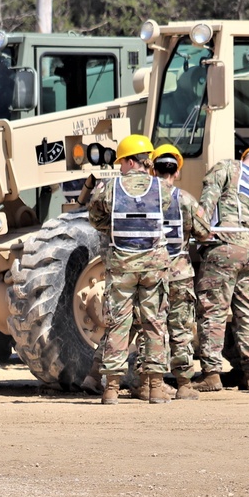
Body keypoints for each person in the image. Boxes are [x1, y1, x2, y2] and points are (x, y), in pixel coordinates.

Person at [87, 134, 175, 405]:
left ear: (127, 161)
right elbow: (165, 211)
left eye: (120, 162)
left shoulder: (108, 187)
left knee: (118, 323)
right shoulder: (163, 188)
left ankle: (111, 389)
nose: (119, 167)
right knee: (154, 323)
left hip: (121, 264)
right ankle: (156, 388)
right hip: (153, 265)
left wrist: (114, 229)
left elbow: (95, 216)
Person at [193, 145, 249, 392]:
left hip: (225, 247)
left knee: (213, 311)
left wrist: (198, 232)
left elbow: (206, 204)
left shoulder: (228, 167)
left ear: (244, 158)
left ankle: (211, 375)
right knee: (248, 312)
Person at [146, 144, 213, 399]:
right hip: (179, 272)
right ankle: (184, 384)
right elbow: (204, 232)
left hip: (151, 272)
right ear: (176, 171)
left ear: (154, 169)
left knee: (151, 327)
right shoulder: (184, 199)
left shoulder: (145, 198)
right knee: (181, 327)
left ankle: (150, 382)